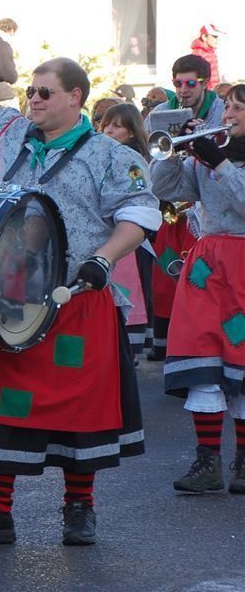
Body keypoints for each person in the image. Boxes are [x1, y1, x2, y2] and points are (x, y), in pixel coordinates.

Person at [0, 29, 161, 548]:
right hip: (5, 298)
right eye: (31, 91)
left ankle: (80, 508)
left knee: (78, 407)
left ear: (75, 98)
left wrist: (103, 259)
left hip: (74, 297)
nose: (33, 99)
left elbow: (140, 215)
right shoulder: (8, 132)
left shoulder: (107, 154)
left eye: (44, 92)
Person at [150, 83, 245, 495]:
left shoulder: (220, 158)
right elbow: (166, 190)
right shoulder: (208, 155)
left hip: (242, 263)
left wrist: (219, 161)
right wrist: (175, 151)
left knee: (241, 355)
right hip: (206, 266)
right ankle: (208, 461)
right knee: (202, 353)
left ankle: (243, 462)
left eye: (240, 108)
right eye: (228, 106)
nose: (230, 114)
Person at [101, 103, 154, 357]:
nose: (109, 130)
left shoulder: (133, 160)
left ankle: (129, 344)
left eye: (117, 126)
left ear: (132, 132)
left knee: (129, 288)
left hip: (127, 239)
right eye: (107, 125)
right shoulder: (101, 154)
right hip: (107, 233)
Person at [145, 55, 225, 136]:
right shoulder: (158, 113)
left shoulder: (223, 111)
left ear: (204, 83)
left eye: (191, 83)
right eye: (178, 83)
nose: (183, 90)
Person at [190, 24, 223, 90]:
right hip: (207, 92)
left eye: (217, 37)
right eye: (214, 36)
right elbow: (198, 79)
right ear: (204, 37)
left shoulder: (209, 51)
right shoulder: (198, 54)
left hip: (214, 90)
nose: (217, 40)